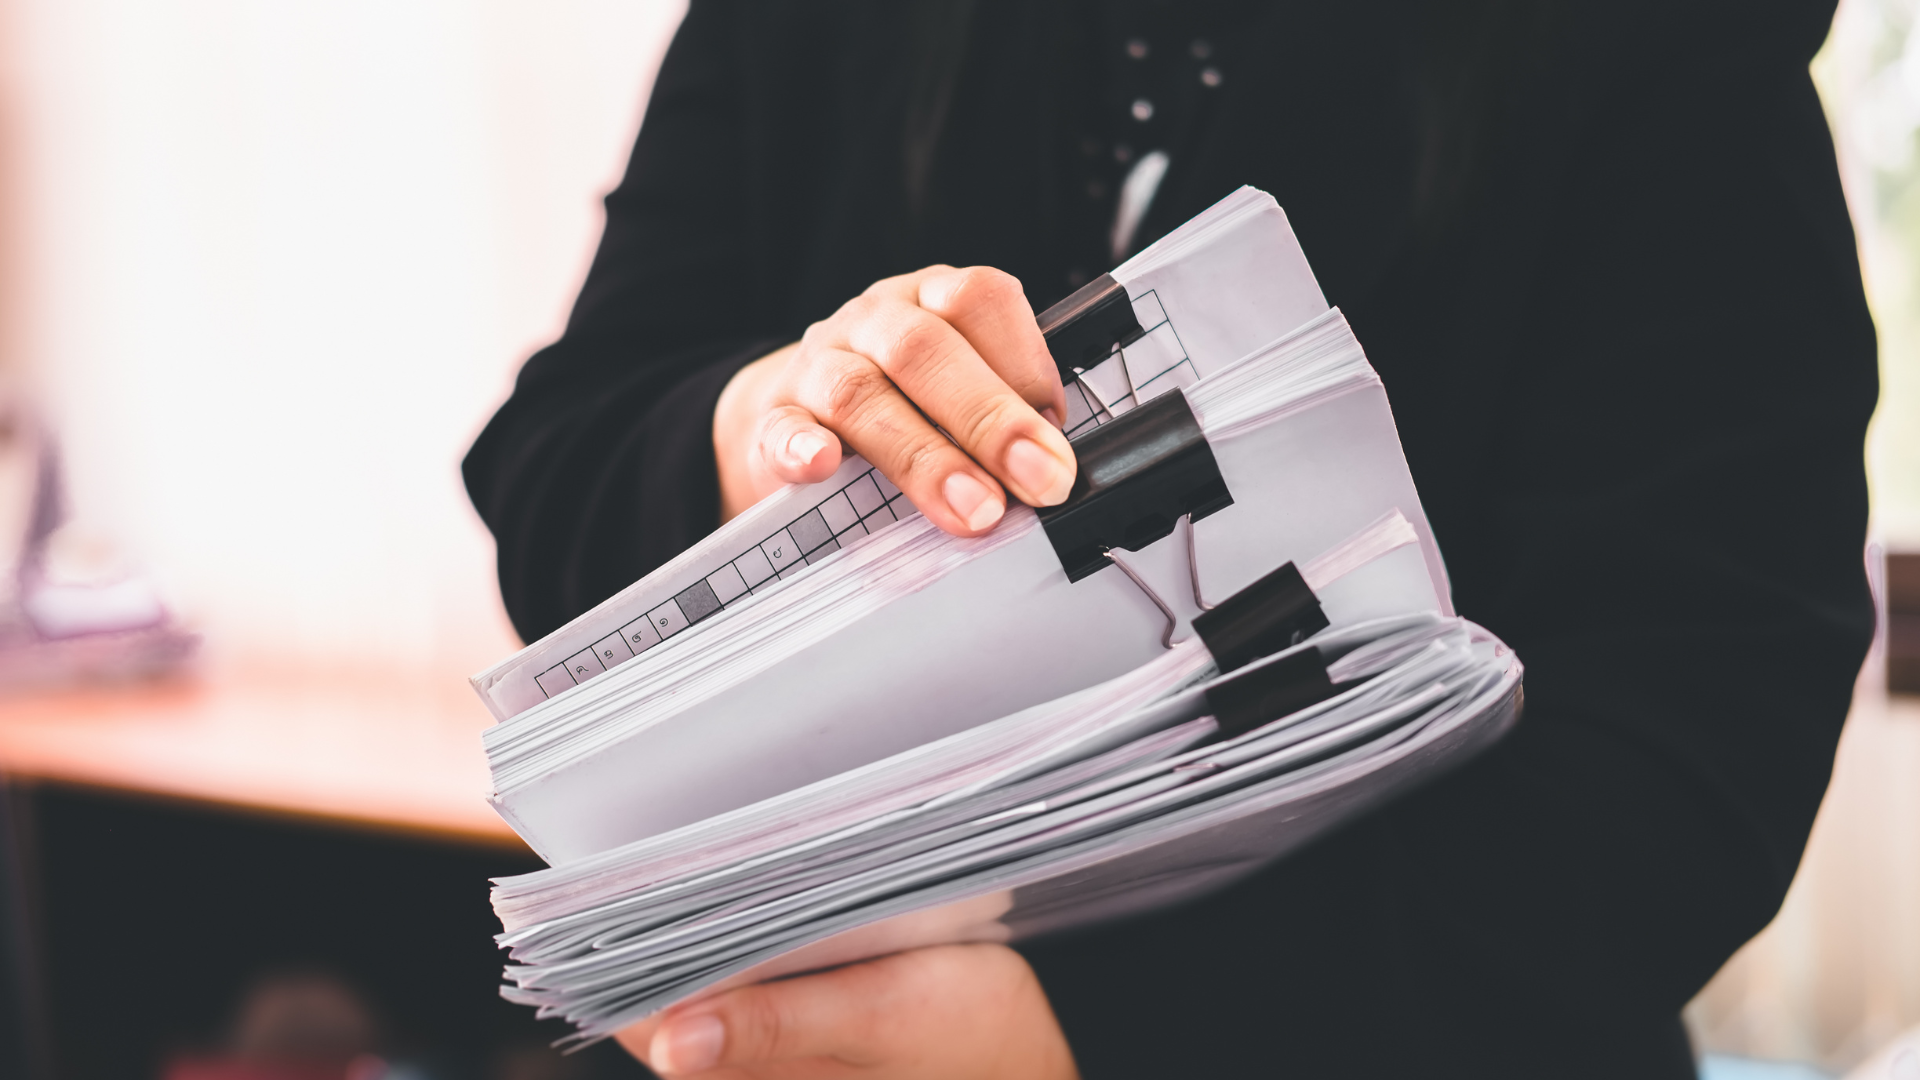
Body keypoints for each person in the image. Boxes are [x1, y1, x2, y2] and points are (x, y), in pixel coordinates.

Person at [462, 1, 1879, 1075]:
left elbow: (1698, 745)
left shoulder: (1663, 43)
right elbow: (553, 467)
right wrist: (778, 420)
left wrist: (1091, 1036)